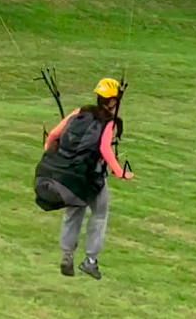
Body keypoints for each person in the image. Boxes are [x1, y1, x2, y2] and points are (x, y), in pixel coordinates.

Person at [34, 77, 134, 279]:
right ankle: (90, 261)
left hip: (70, 178)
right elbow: (105, 148)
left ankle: (67, 255)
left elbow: (53, 135)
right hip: (90, 179)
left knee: (74, 213)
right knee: (100, 214)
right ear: (113, 101)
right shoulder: (108, 122)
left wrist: (51, 155)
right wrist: (120, 172)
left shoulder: (80, 112)